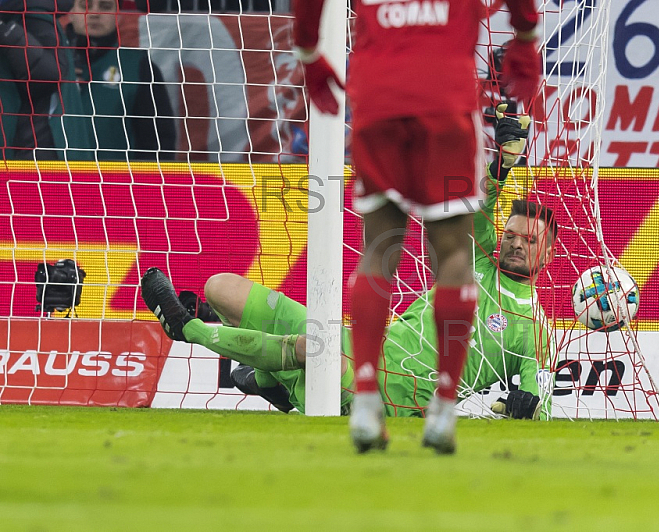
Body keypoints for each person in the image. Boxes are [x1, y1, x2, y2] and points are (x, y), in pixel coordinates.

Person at [139, 107, 557, 444]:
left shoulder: (532, 329)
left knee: (313, 349)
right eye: (512, 235)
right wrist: (504, 161)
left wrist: (528, 407)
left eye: (531, 241)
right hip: (357, 345)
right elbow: (482, 204)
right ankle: (273, 380)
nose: (518, 244)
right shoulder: (476, 261)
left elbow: (542, 401)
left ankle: (188, 329)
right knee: (221, 288)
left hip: (390, 398)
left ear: (549, 255)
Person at [292, 0, 542, 454]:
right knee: (453, 254)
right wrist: (526, 34)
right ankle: (444, 408)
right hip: (444, 101)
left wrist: (308, 49)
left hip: (379, 101)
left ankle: (366, 399)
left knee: (380, 249)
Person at [67, 0, 176, 160]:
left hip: (117, 182)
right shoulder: (47, 63)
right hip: (51, 179)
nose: (95, 14)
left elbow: (159, 145)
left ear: (118, 16)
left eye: (105, 7)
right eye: (85, 6)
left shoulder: (139, 67)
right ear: (70, 13)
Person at [0, 0, 92, 160]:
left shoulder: (32, 16)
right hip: (37, 153)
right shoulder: (28, 14)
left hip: (33, 156)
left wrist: (7, 31)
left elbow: (47, 76)